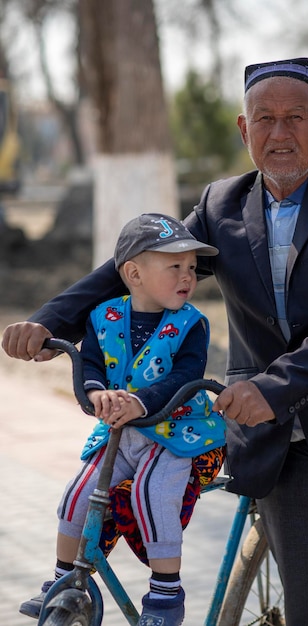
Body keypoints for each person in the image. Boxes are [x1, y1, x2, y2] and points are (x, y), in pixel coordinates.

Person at [4, 57, 308, 625]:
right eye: (264, 119)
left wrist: (275, 386)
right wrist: (50, 322)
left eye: (296, 117)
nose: (279, 132)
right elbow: (133, 266)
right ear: (244, 130)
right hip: (275, 449)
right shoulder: (221, 207)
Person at [17, 213, 225, 626]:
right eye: (175, 267)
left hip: (176, 431)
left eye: (191, 268)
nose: (188, 276)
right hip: (121, 432)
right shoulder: (103, 317)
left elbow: (185, 376)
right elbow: (91, 366)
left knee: (154, 493)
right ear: (133, 273)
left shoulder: (191, 325)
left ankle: (166, 598)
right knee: (77, 495)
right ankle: (64, 582)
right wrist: (96, 394)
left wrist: (139, 401)